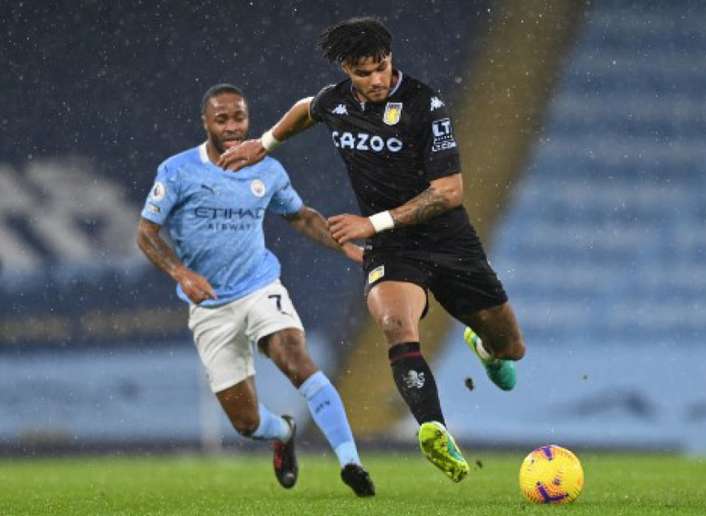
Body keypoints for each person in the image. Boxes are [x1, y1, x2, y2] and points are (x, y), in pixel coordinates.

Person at [218, 17, 526, 483]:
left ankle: (485, 347)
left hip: (449, 242)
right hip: (393, 247)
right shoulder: (335, 101)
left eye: (382, 66)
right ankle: (433, 428)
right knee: (394, 324)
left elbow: (449, 191)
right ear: (346, 69)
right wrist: (264, 144)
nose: (377, 79)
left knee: (513, 348)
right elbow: (307, 107)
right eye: (363, 72)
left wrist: (371, 222)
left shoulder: (425, 104)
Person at [136, 83, 375, 497]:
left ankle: (351, 462)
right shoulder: (178, 171)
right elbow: (146, 233)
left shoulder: (266, 169)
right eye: (222, 119)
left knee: (294, 356)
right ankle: (283, 432)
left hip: (260, 286)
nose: (232, 126)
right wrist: (181, 274)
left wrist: (349, 249)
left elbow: (301, 217)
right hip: (211, 306)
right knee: (246, 423)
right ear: (205, 122)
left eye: (239, 117)